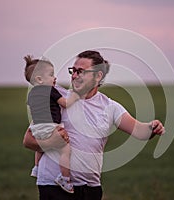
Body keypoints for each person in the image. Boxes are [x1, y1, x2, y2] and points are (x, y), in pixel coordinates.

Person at [23, 50, 165, 200]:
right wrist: (52, 142)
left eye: (81, 71)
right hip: (53, 187)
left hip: (91, 189)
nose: (75, 75)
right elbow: (28, 140)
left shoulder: (110, 107)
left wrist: (153, 127)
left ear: (98, 76)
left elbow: (140, 131)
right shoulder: (56, 98)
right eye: (74, 70)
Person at [24, 55, 79, 193]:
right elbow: (65, 104)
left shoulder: (31, 94)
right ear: (39, 79)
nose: (54, 78)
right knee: (66, 150)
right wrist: (75, 96)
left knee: (40, 147)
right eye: (51, 75)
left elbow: (33, 110)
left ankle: (36, 167)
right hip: (51, 126)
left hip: (36, 127)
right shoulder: (50, 90)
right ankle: (65, 178)